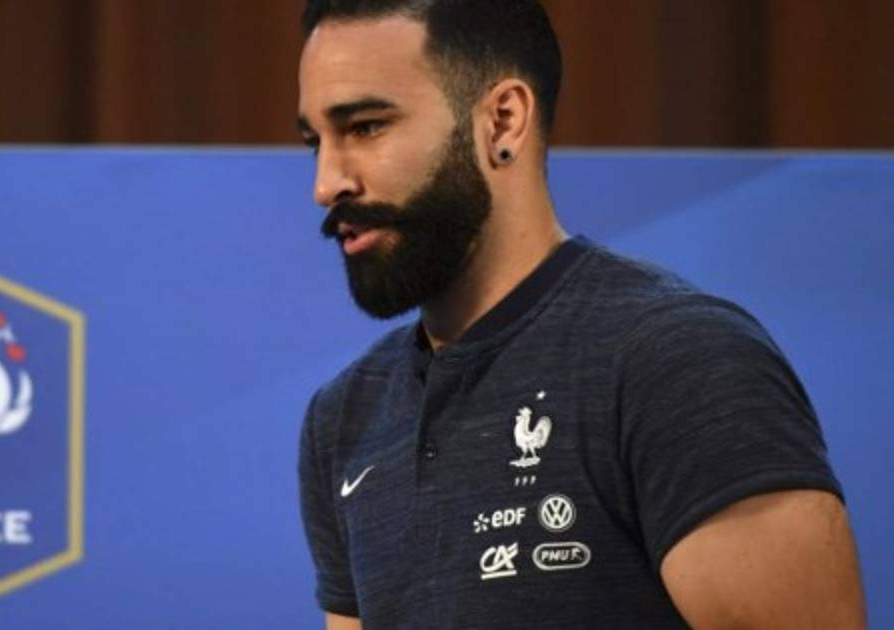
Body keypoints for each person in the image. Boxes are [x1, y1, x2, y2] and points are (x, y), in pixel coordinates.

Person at [294, 1, 866, 628]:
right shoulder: (344, 418)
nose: (326, 184)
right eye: (315, 141)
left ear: (502, 121)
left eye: (366, 127)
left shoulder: (679, 362)